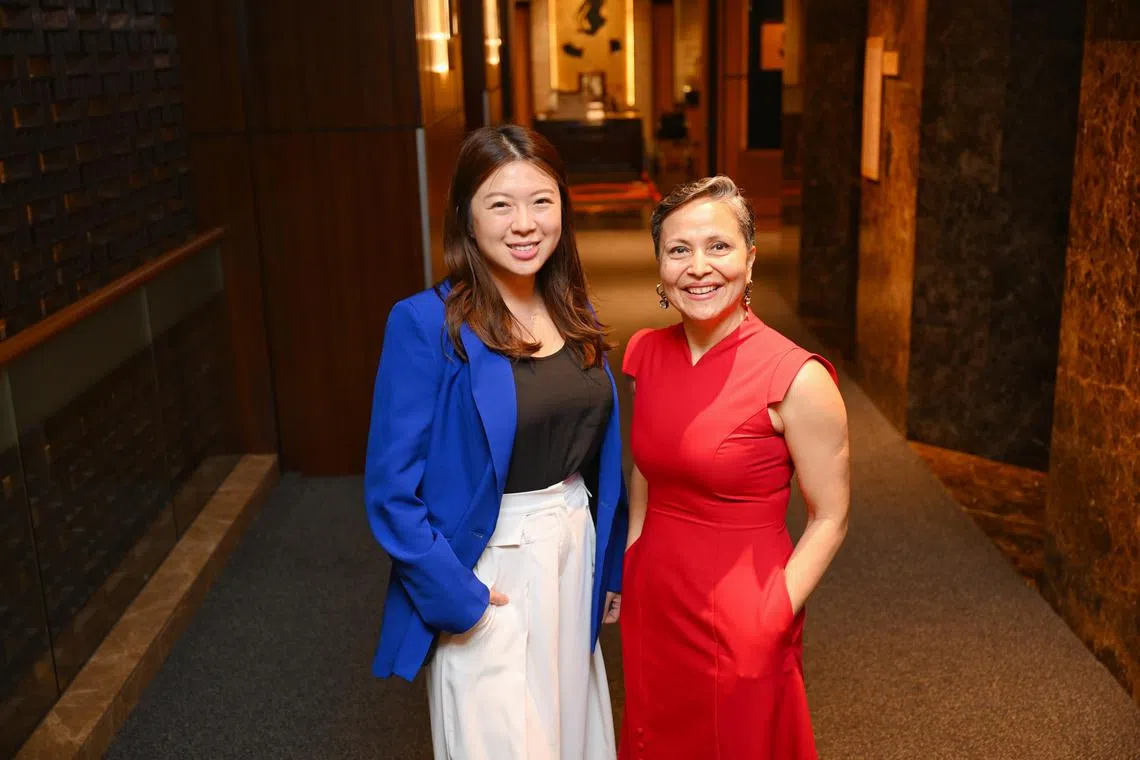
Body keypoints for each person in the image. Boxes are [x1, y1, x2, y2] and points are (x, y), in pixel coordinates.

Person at [364, 124, 627, 760]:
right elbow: (390, 492)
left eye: (541, 200)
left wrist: (608, 561)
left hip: (572, 553)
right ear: (466, 216)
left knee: (573, 741)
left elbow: (594, 456)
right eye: (499, 203)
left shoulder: (571, 309)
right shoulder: (426, 323)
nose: (524, 223)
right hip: (492, 567)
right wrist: (462, 600)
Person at [619, 176, 850, 759]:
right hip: (656, 600)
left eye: (718, 247)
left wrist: (772, 611)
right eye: (679, 250)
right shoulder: (646, 352)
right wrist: (634, 553)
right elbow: (648, 465)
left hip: (743, 609)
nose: (698, 267)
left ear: (749, 261)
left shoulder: (796, 377)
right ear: (661, 267)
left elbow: (831, 515)